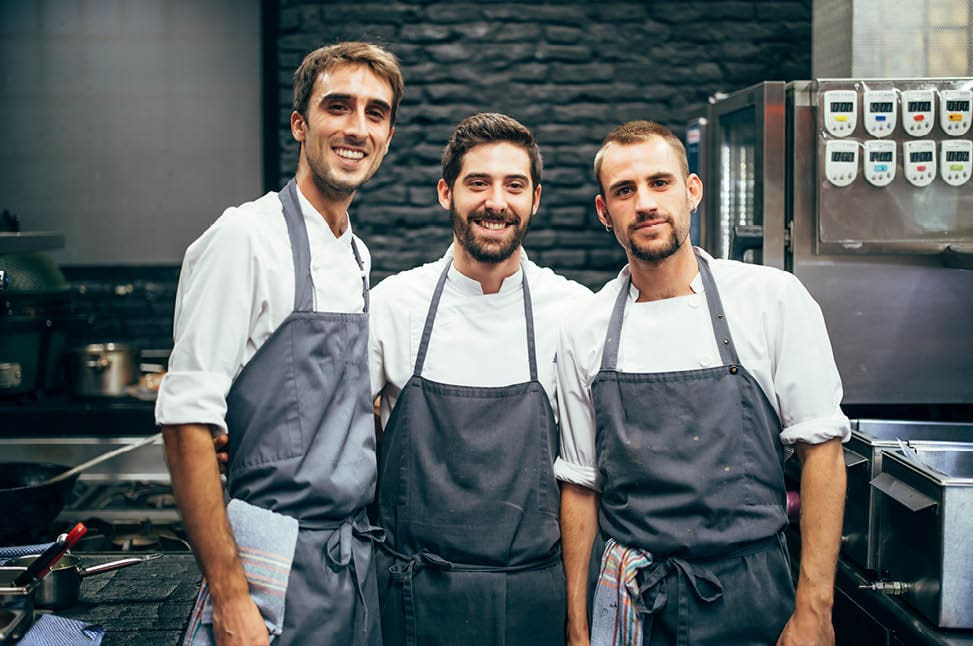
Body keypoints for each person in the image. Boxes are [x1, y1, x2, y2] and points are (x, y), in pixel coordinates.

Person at [556, 120, 849, 646]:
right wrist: (578, 626)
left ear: (692, 192)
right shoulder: (584, 326)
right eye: (625, 190)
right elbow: (581, 485)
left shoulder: (771, 299)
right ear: (605, 213)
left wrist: (814, 608)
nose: (645, 202)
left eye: (659, 183)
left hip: (753, 592)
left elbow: (822, 453)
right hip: (632, 596)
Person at [156, 41, 403, 646]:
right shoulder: (245, 237)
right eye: (337, 107)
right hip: (270, 565)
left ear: (389, 136)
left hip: (350, 565)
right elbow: (185, 418)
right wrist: (230, 596)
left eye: (375, 113)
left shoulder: (356, 253)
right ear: (300, 123)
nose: (356, 128)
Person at [368, 113, 592, 646]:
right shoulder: (393, 307)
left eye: (514, 185)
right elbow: (338, 444)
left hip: (536, 599)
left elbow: (586, 479)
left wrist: (578, 622)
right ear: (446, 193)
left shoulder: (575, 314)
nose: (497, 201)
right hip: (412, 596)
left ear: (535, 199)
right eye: (477, 183)